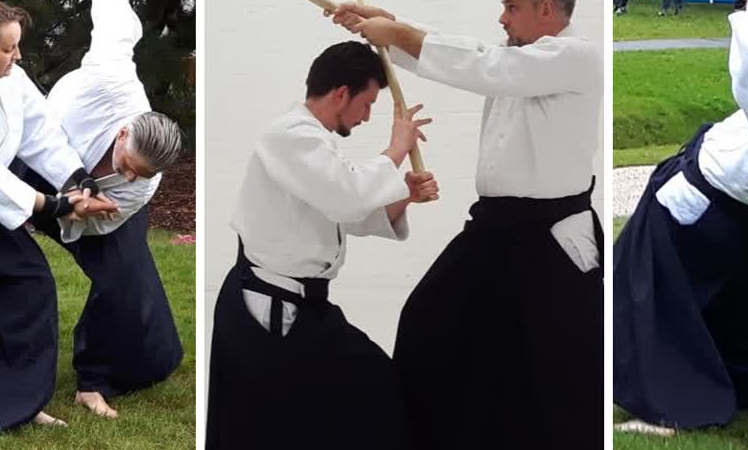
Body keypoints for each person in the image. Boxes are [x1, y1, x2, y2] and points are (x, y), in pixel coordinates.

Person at [331, 1, 604, 448]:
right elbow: (471, 53)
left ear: (546, 9)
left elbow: (486, 66)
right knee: (429, 321)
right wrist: (385, 26)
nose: (503, 18)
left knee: (554, 362)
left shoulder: (575, 57)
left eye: (512, 7)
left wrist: (395, 33)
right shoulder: (515, 56)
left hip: (551, 236)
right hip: (494, 227)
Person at [205, 41, 438, 450]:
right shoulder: (290, 135)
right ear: (342, 94)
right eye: (367, 104)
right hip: (271, 312)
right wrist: (397, 148)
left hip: (304, 308)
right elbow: (348, 197)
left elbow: (345, 214)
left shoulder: (314, 142)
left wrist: (405, 196)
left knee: (372, 389)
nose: (367, 116)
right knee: (290, 421)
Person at [613, 0, 748, 442]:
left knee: (649, 305)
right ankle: (738, 383)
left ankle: (669, 410)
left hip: (694, 209)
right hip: (733, 220)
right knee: (721, 311)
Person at [13, 0, 184, 419]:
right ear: (123, 132)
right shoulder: (113, 79)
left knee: (126, 287)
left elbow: (93, 229)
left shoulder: (139, 188)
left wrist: (76, 211)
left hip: (95, 216)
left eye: (140, 175)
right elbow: (117, 20)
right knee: (22, 276)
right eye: (127, 166)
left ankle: (94, 382)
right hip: (33, 162)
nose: (130, 177)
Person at [0, 1, 115, 431]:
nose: (17, 56)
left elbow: (41, 132)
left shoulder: (12, 79)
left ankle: (21, 403)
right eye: (7, 49)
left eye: (17, 46)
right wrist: (56, 205)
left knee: (30, 286)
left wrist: (77, 178)